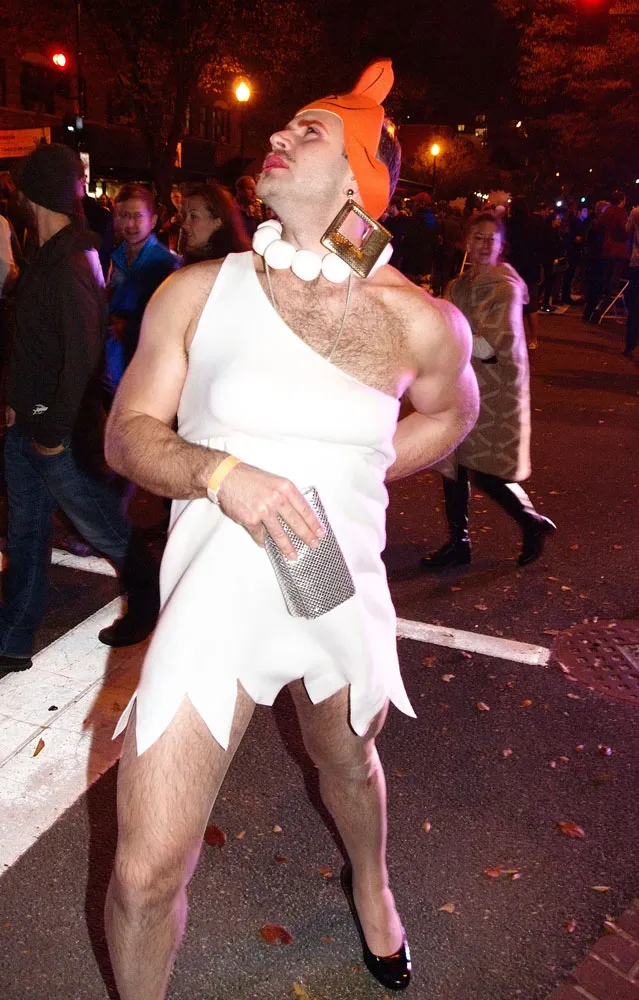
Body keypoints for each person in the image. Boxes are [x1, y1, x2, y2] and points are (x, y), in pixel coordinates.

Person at [103, 60, 479, 999]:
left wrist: (365, 468)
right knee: (143, 876)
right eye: (285, 125)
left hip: (333, 584)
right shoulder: (197, 291)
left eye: (309, 131)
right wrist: (221, 476)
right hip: (215, 597)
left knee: (345, 760)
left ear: (358, 178)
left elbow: (454, 413)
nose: (278, 135)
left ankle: (371, 886)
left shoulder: (419, 322)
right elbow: (127, 433)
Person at [0, 144, 160, 672]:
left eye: (20, 187)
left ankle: (150, 602)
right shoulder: (48, 252)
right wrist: (15, 404)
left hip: (55, 433)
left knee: (102, 527)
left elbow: (83, 355)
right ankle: (14, 638)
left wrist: (52, 431)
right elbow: (32, 343)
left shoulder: (71, 259)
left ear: (34, 193)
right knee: (26, 534)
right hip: (29, 424)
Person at [423, 212, 556, 569]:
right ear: (466, 242)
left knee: (484, 470)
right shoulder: (457, 285)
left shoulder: (505, 288)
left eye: (490, 239)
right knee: (454, 464)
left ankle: (531, 521)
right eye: (477, 237)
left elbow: (490, 348)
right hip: (460, 385)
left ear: (500, 245)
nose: (483, 245)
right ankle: (459, 542)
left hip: (493, 391)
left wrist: (447, 325)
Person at [105, 185, 179, 397]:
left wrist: (127, 326)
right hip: (114, 368)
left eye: (137, 216)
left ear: (153, 221)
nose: (130, 224)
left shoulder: (166, 264)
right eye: (123, 216)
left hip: (146, 373)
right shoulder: (115, 257)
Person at [180, 181, 250, 264]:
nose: (184, 224)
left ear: (218, 222)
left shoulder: (226, 265)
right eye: (185, 216)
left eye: (193, 216)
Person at [506, 195, 543, 349]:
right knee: (531, 306)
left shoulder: (510, 224)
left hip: (514, 268)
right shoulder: (535, 223)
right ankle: (533, 338)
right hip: (531, 267)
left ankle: (517, 337)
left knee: (514, 304)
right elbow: (541, 245)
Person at [400, 190, 438, 284]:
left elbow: (409, 239)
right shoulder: (434, 219)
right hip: (426, 261)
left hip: (413, 261)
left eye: (416, 202)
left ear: (422, 204)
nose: (413, 204)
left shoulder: (416, 219)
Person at [599, 191, 629, 299]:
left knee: (607, 271)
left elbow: (600, 226)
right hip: (618, 247)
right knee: (616, 271)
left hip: (607, 245)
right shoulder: (621, 212)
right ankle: (613, 293)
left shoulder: (607, 211)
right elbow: (625, 229)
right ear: (621, 200)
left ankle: (605, 292)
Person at [623, 204, 639, 359]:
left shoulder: (636, 212)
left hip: (637, 263)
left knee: (635, 306)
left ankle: (630, 344)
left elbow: (627, 230)